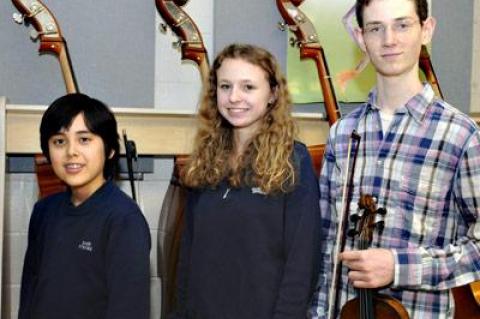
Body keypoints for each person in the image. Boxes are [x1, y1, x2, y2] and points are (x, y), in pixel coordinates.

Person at [310, 0, 480, 318]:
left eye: (402, 25)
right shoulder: (343, 133)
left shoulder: (461, 136)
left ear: (426, 30)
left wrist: (400, 267)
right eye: (376, 28)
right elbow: (326, 246)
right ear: (361, 38)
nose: (389, 39)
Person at [170, 43, 321, 318]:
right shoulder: (205, 160)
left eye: (248, 87)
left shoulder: (293, 162)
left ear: (273, 94)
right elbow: (188, 258)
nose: (234, 97)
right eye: (225, 87)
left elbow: (302, 263)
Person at [18, 93, 151, 319]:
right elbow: (29, 297)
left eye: (84, 140)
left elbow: (128, 311)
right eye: (59, 141)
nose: (71, 152)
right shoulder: (44, 211)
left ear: (109, 150)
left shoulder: (124, 220)